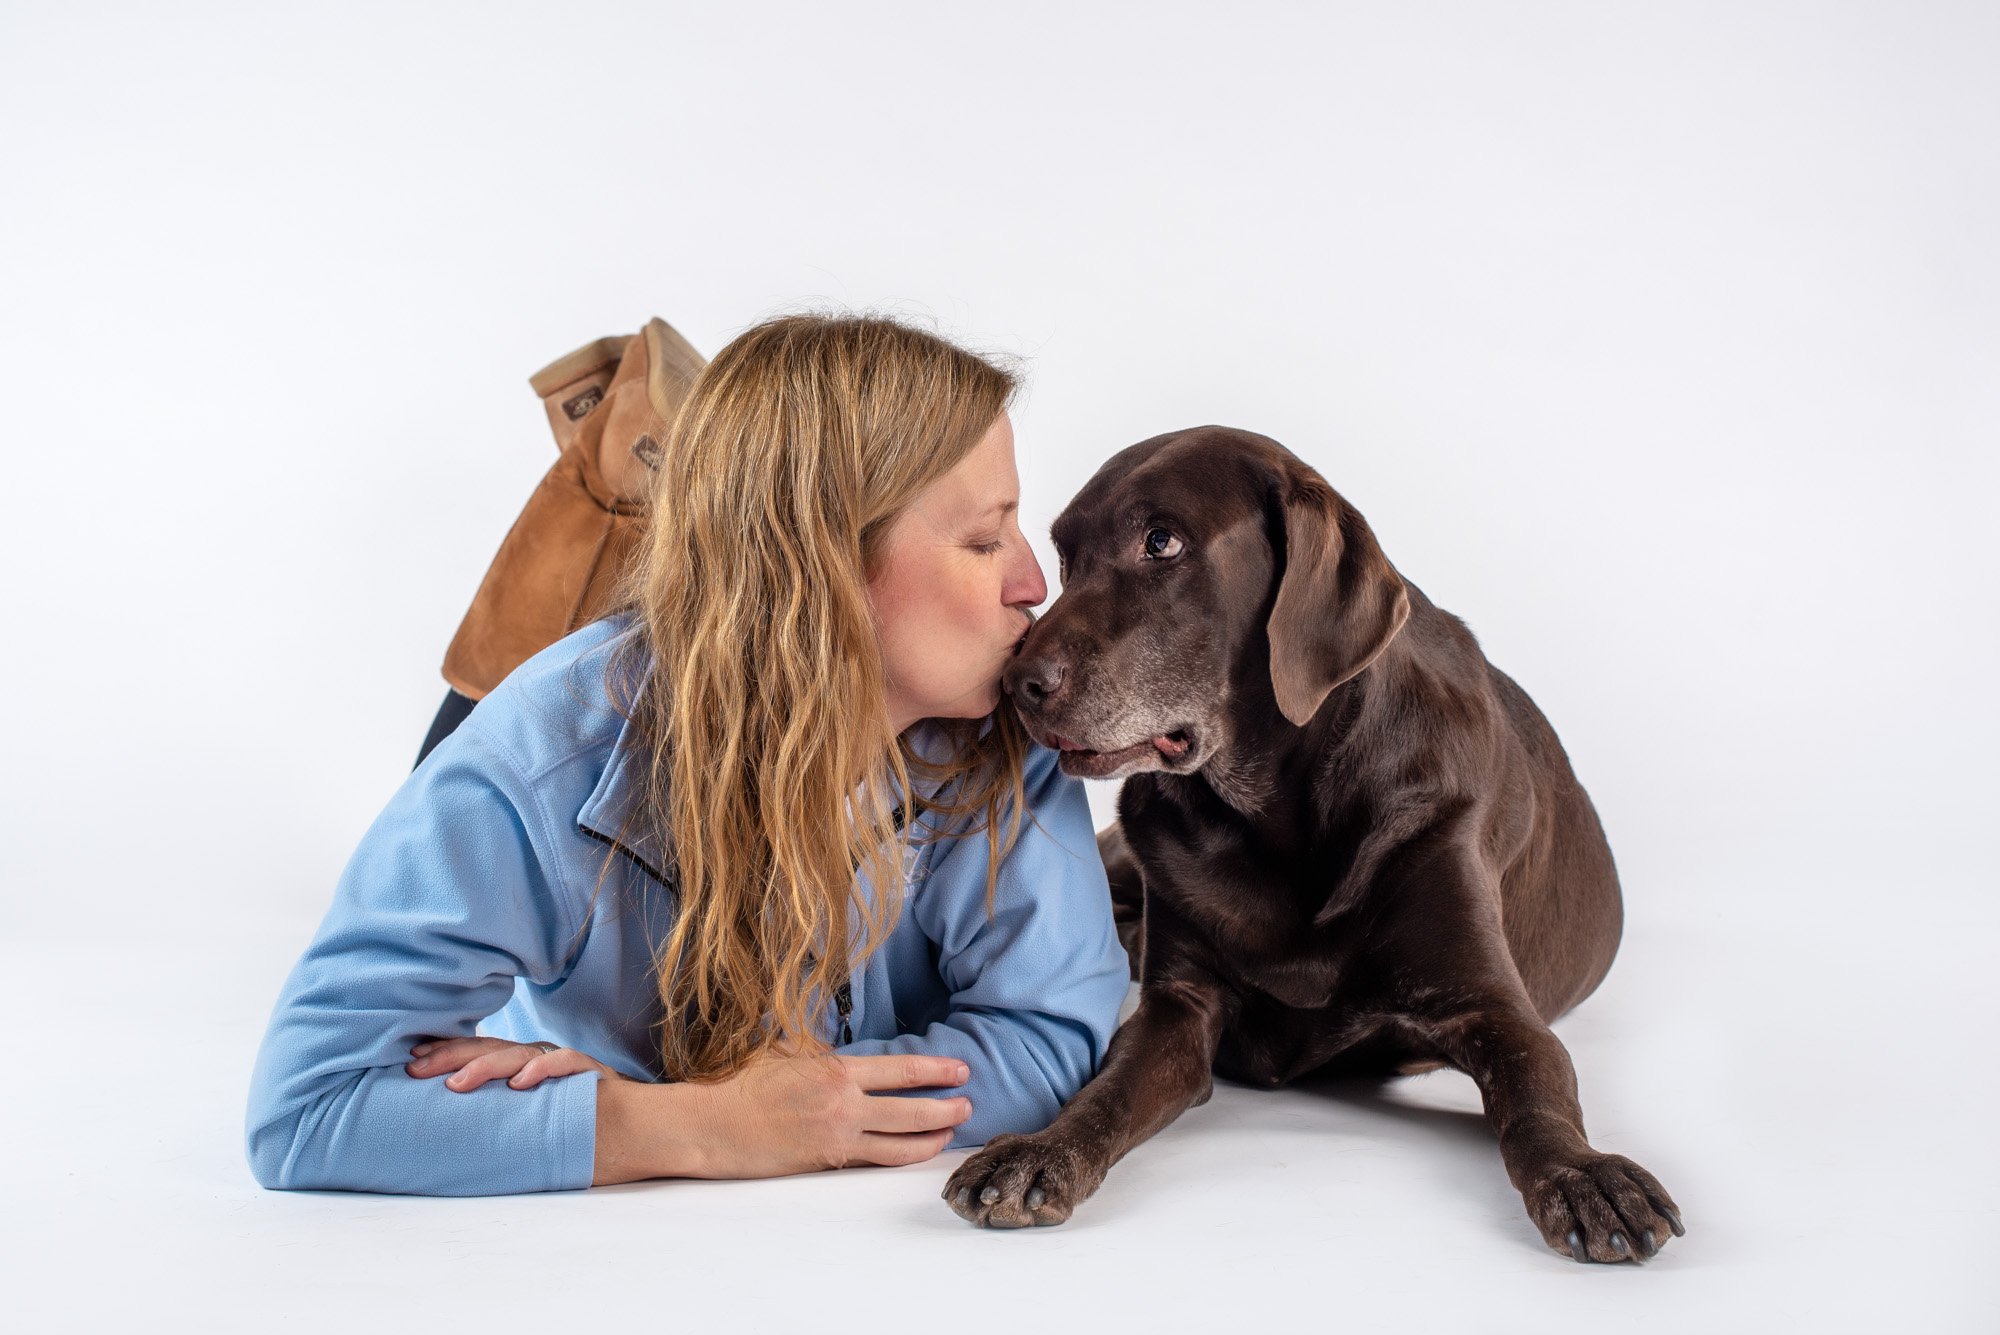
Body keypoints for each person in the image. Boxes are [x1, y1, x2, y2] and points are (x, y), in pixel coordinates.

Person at [244, 313, 1132, 1196]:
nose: (1035, 585)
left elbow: (1046, 1036)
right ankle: (612, 456)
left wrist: (755, 1108)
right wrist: (693, 1129)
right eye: (985, 539)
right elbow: (307, 1107)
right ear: (824, 566)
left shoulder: (1005, 718)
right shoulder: (538, 764)